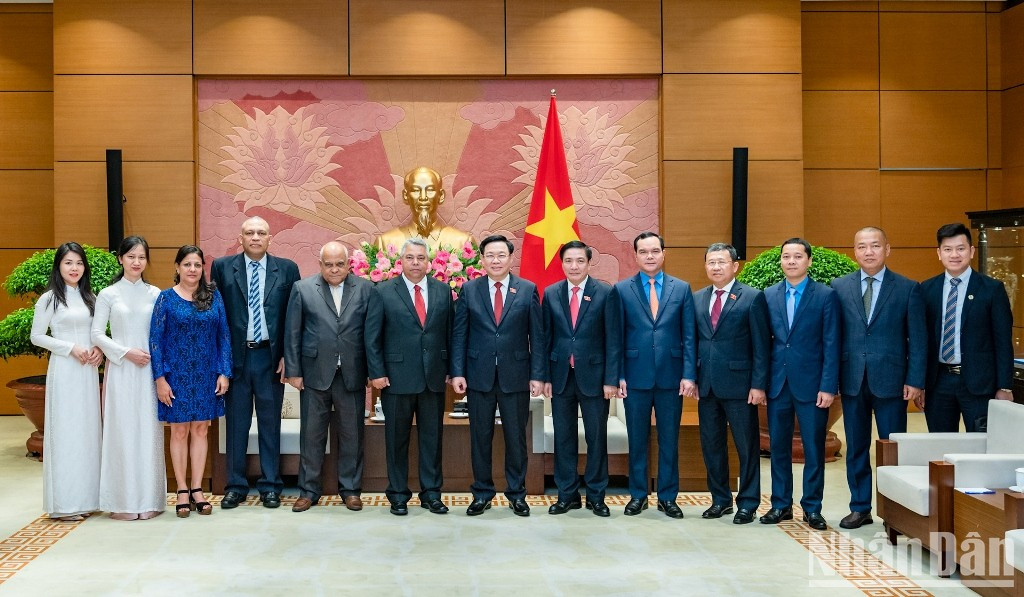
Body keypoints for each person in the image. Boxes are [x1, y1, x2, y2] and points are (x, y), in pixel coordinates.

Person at [831, 227, 926, 530]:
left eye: (875, 245)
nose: (868, 251)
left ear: (888, 249)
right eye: (862, 246)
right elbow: (833, 338)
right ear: (854, 251)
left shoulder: (907, 288)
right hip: (852, 379)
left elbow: (918, 340)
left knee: (892, 448)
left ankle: (894, 512)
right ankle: (860, 507)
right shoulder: (839, 287)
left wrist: (915, 380)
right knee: (856, 447)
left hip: (893, 382)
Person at [451, 234, 545, 517]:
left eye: (501, 255)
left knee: (516, 437)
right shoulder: (469, 290)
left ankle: (517, 494)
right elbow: (460, 335)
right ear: (482, 259)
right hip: (478, 376)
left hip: (516, 375)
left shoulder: (527, 290)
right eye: (490, 255)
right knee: (480, 437)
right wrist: (457, 371)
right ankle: (482, 493)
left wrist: (537, 374)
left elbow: (537, 338)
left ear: (510, 258)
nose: (495, 260)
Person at [284, 241, 381, 513]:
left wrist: (373, 373)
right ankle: (308, 490)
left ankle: (350, 489)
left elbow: (371, 335)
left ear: (348, 264)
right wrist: (293, 371)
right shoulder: (302, 289)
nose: (335, 269)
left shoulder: (366, 289)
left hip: (352, 373)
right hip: (314, 373)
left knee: (352, 434)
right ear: (320, 265)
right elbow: (292, 333)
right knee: (311, 435)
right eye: (329, 264)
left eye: (340, 264)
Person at [210, 216, 300, 510]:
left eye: (261, 232)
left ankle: (271, 485)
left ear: (270, 238)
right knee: (236, 423)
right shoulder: (223, 268)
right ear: (241, 237)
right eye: (250, 233)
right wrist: (221, 361)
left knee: (269, 422)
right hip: (237, 357)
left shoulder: (286, 269)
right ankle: (235, 485)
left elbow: (293, 317)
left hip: (270, 358)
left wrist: (289, 356)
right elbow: (218, 317)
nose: (256, 237)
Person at [366, 238, 454, 516]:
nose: (416, 263)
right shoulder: (382, 291)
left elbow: (450, 334)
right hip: (395, 377)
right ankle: (398, 495)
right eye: (410, 258)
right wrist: (376, 372)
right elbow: (372, 336)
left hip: (433, 378)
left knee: (432, 439)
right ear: (400, 261)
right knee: (396, 439)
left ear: (429, 262)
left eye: (421, 258)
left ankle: (431, 494)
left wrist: (451, 369)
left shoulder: (443, 291)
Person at [760, 238, 839, 531]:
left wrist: (828, 386)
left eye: (797, 256)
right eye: (786, 256)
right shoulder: (768, 295)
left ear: (808, 261)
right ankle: (781, 505)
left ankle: (812, 508)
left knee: (813, 449)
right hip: (778, 384)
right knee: (778, 448)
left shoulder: (825, 296)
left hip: (813, 385)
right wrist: (762, 383)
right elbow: (763, 344)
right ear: (781, 261)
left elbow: (832, 343)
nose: (791, 261)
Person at [615, 232, 696, 519]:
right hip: (634, 377)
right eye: (643, 252)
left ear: (663, 254)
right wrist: (619, 375)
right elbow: (617, 338)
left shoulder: (682, 288)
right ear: (635, 256)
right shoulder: (622, 289)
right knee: (637, 439)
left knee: (669, 439)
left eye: (654, 251)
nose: (649, 256)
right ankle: (637, 495)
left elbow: (689, 335)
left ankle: (667, 496)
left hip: (672, 377)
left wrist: (689, 374)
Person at [150, 245, 232, 518]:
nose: (193, 270)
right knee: (179, 431)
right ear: (177, 267)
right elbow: (156, 342)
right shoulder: (165, 299)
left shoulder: (213, 297)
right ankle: (182, 489)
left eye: (197, 265)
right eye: (187, 264)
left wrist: (224, 372)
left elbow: (224, 337)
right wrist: (160, 379)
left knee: (201, 429)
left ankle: (198, 488)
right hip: (177, 376)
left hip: (207, 375)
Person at [541, 241, 621, 517]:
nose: (574, 266)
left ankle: (597, 496)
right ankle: (567, 495)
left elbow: (613, 339)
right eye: (568, 261)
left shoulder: (605, 293)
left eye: (579, 261)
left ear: (588, 263)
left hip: (596, 378)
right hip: (561, 376)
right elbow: (544, 339)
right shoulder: (551, 294)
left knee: (596, 437)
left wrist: (611, 379)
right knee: (564, 438)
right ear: (561, 263)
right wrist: (544, 376)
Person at [692, 242, 770, 525]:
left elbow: (761, 346)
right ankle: (720, 499)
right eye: (711, 262)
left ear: (735, 266)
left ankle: (748, 502)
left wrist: (758, 385)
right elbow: (694, 342)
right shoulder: (697, 298)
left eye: (721, 262)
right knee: (711, 444)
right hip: (707, 385)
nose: (716, 267)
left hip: (741, 386)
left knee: (747, 446)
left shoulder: (752, 297)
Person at [91, 236, 165, 521]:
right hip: (121, 369)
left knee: (148, 431)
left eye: (142, 257)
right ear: (120, 258)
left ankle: (149, 499)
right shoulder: (108, 294)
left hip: (149, 371)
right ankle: (121, 501)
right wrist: (125, 352)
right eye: (131, 256)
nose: (136, 262)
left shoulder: (155, 293)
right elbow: (97, 333)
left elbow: (161, 335)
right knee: (122, 431)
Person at [30, 242, 103, 521]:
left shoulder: (90, 298)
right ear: (58, 266)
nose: (74, 268)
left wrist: (98, 350)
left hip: (87, 371)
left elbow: (97, 332)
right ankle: (65, 503)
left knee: (87, 431)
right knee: (66, 432)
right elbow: (37, 336)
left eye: (79, 263)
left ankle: (87, 498)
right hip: (65, 369)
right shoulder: (49, 299)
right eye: (68, 263)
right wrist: (69, 348)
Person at [921, 222, 1014, 433]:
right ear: (939, 253)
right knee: (941, 448)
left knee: (982, 446)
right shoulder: (926, 289)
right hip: (939, 383)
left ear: (971, 251)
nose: (954, 254)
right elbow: (921, 341)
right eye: (948, 249)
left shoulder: (992, 289)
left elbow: (1003, 342)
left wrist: (1005, 386)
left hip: (979, 384)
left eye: (961, 248)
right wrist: (920, 384)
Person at [374, 166, 474, 253]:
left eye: (430, 190)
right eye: (416, 190)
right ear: (405, 196)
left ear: (441, 196)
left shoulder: (464, 242)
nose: (423, 197)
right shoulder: (385, 243)